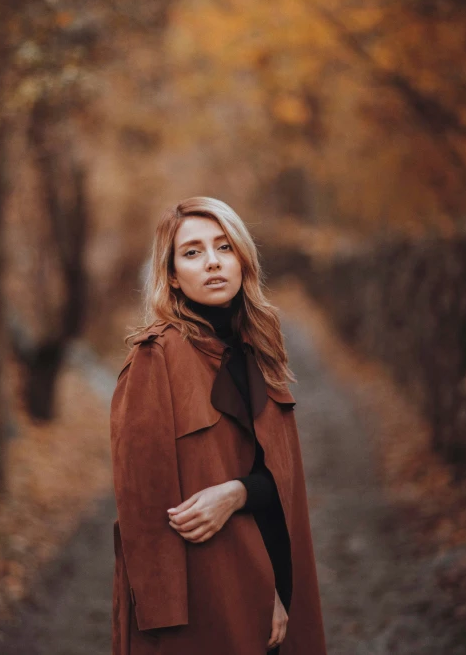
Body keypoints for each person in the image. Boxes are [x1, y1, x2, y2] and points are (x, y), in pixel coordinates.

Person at [110, 197, 327, 655]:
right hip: (202, 607)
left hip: (269, 581)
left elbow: (281, 481)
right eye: (192, 252)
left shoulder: (260, 347)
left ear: (242, 259)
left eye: (224, 247)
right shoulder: (156, 357)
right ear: (171, 274)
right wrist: (162, 626)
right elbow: (143, 504)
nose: (212, 262)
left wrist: (237, 493)